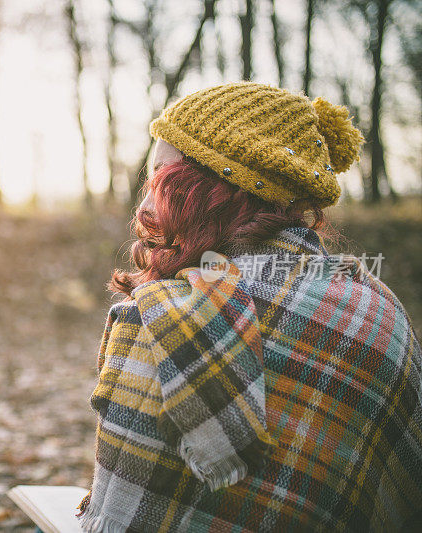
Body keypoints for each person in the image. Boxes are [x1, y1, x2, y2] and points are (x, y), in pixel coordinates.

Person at [76, 82, 422, 532]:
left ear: (216, 188)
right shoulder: (382, 311)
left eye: (162, 178)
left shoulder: (161, 318)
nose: (145, 206)